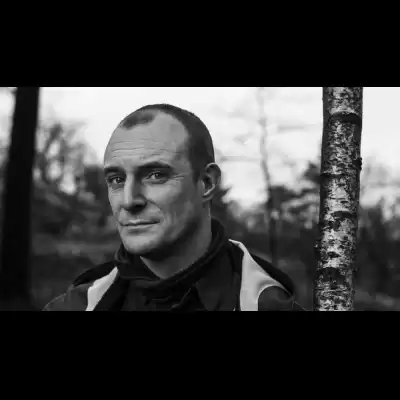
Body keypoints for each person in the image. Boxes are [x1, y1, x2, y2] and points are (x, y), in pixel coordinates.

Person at [44, 103, 304, 311]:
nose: (129, 200)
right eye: (117, 179)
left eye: (155, 175)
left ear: (206, 183)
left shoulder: (266, 305)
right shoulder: (76, 306)